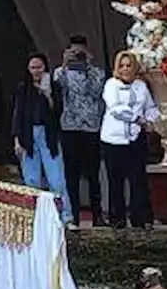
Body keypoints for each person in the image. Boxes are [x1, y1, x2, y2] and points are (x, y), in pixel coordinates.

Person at [13, 52, 74, 225]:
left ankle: (64, 215)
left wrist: (47, 94)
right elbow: (18, 115)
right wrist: (17, 139)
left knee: (56, 178)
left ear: (45, 67)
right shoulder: (23, 88)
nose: (36, 71)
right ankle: (35, 218)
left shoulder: (54, 86)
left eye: (39, 67)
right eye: (33, 68)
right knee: (31, 179)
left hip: (48, 135)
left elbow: (58, 111)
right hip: (28, 135)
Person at [53, 35, 107, 228]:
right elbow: (57, 83)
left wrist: (88, 64)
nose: (78, 56)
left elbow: (96, 91)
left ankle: (97, 214)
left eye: (80, 52)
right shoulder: (63, 72)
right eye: (74, 52)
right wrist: (66, 63)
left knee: (93, 173)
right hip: (69, 126)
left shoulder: (96, 73)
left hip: (91, 126)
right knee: (71, 174)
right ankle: (73, 214)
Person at [100, 51, 159, 230]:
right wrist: (138, 119)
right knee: (115, 181)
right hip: (113, 140)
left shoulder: (141, 86)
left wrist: (151, 120)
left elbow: (150, 107)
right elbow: (117, 109)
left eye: (129, 65)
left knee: (138, 179)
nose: (125, 69)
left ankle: (140, 218)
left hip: (135, 139)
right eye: (122, 65)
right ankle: (117, 219)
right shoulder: (111, 85)